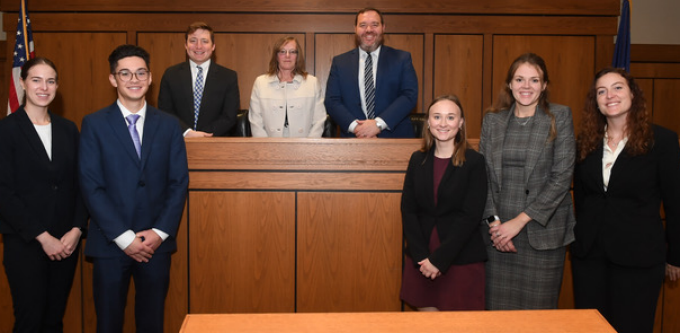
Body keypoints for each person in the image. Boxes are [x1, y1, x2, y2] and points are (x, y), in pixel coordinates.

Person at [79, 45, 188, 333]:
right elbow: (91, 186)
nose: (134, 79)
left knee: (152, 323)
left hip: (156, 245)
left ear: (150, 78)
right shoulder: (94, 124)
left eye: (141, 73)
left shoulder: (169, 125)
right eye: (125, 73)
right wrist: (124, 237)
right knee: (108, 324)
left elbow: (179, 182)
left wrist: (159, 232)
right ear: (113, 79)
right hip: (110, 242)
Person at [572, 67, 680, 333]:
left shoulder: (662, 141)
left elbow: (676, 202)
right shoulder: (586, 142)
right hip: (590, 258)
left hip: (639, 260)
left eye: (617, 87)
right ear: (595, 101)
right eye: (601, 90)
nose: (610, 95)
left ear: (633, 94)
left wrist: (675, 255)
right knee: (589, 328)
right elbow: (583, 199)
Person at [479, 53, 576, 309]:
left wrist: (518, 223)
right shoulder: (493, 120)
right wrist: (495, 225)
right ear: (509, 84)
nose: (526, 86)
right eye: (519, 79)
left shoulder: (559, 116)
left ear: (544, 85)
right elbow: (482, 177)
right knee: (497, 317)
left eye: (534, 80)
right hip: (497, 237)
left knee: (538, 318)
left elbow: (562, 177)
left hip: (540, 234)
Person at [0, 57, 87, 333]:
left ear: (57, 86)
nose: (44, 87)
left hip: (65, 243)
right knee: (29, 321)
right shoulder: (7, 130)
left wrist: (76, 228)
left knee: (53, 321)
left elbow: (80, 183)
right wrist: (43, 237)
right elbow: (4, 192)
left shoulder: (68, 129)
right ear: (23, 83)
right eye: (36, 80)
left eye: (50, 81)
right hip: (26, 242)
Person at [400, 95, 488, 311]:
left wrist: (439, 260)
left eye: (450, 117)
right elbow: (408, 210)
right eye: (437, 117)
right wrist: (422, 258)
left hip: (459, 256)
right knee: (427, 323)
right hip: (422, 258)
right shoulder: (416, 159)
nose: (443, 123)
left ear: (460, 123)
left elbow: (471, 217)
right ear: (428, 123)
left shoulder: (474, 162)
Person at [324, 7, 418, 138]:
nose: (369, 30)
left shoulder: (402, 59)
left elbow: (409, 96)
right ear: (355, 29)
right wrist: (358, 128)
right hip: (353, 140)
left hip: (395, 139)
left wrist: (378, 124)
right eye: (363, 25)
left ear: (383, 28)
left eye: (375, 24)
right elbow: (332, 101)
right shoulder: (340, 62)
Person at [158, 21, 240, 137]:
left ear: (213, 46)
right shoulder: (171, 74)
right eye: (193, 40)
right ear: (186, 45)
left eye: (205, 41)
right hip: (178, 140)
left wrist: (204, 135)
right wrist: (187, 132)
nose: (198, 46)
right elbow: (165, 111)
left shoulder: (228, 77)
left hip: (216, 143)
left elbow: (229, 116)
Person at [248, 36, 327, 137]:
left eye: (292, 52)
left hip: (304, 147)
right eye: (282, 51)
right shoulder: (260, 83)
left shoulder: (312, 83)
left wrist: (308, 148)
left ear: (297, 56)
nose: (287, 56)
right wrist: (266, 148)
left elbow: (319, 121)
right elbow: (256, 122)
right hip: (269, 147)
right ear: (276, 56)